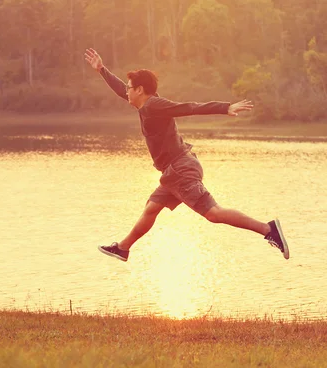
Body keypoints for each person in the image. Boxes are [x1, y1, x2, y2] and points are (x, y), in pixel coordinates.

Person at [84, 48, 289, 262]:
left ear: (140, 90)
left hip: (180, 170)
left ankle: (268, 229)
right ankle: (124, 248)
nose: (126, 92)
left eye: (129, 89)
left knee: (214, 213)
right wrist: (101, 69)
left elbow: (189, 107)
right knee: (151, 209)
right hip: (174, 171)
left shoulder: (155, 105)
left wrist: (225, 108)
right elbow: (120, 89)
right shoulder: (145, 105)